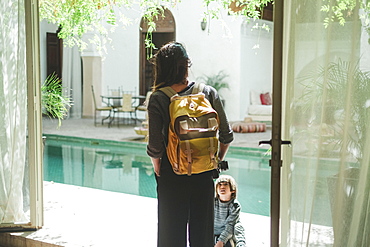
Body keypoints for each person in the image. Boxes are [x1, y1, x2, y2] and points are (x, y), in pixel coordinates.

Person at [146, 41, 234, 247]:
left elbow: (156, 146)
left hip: (172, 173)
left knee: (170, 235)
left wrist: (158, 167)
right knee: (203, 236)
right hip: (204, 173)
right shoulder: (208, 92)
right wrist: (216, 159)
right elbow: (226, 136)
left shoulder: (159, 98)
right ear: (186, 64)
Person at [214, 175, 246, 247]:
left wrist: (221, 241)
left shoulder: (235, 205)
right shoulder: (212, 202)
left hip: (228, 233)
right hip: (213, 231)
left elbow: (230, 225)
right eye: (220, 184)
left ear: (233, 190)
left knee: (238, 225)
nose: (222, 187)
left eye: (225, 184)